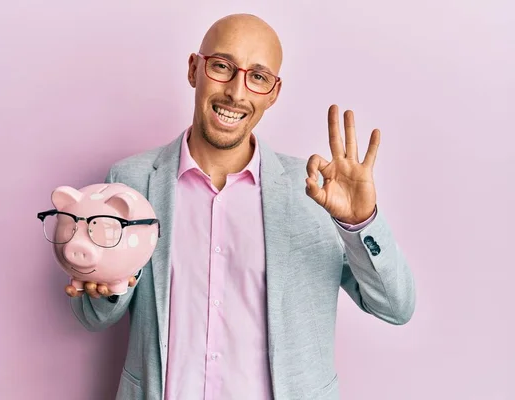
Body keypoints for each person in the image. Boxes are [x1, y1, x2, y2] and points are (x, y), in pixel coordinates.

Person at [66, 13, 416, 400]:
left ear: (273, 93)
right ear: (193, 69)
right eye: (222, 67)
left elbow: (395, 307)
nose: (237, 92)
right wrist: (107, 286)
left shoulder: (316, 193)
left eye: (258, 77)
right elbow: (92, 317)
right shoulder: (131, 181)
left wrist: (359, 223)